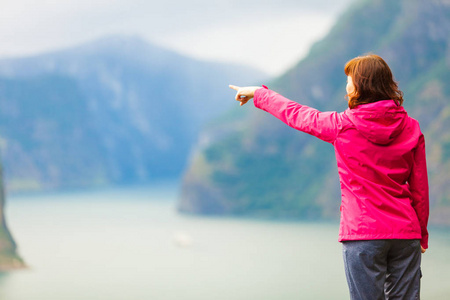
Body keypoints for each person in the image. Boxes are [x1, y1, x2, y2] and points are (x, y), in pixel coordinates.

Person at [229, 54, 429, 300]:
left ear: (361, 85)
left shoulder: (341, 125)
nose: (346, 86)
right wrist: (422, 234)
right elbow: (420, 189)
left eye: (350, 81)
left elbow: (297, 114)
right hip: (405, 232)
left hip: (363, 234)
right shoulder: (411, 127)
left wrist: (259, 93)